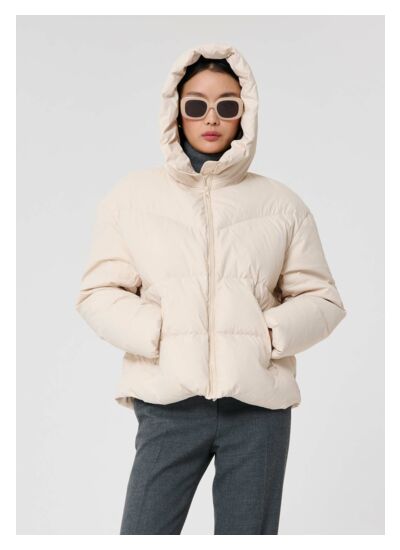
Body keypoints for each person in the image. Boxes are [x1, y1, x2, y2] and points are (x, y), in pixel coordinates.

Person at [75, 43, 347, 535]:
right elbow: (98, 293)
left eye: (227, 104)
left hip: (258, 410)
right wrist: (160, 333)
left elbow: (323, 299)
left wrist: (266, 334)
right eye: (197, 104)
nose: (212, 117)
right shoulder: (131, 199)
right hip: (168, 403)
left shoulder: (281, 204)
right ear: (176, 110)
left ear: (245, 112)